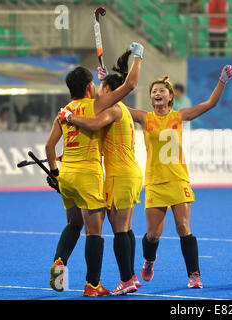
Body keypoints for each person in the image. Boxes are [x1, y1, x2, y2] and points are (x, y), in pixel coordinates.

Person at [45, 42, 143, 297]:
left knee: (73, 224)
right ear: (90, 87)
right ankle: (92, 284)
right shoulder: (97, 106)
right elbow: (129, 86)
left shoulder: (64, 111)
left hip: (66, 175)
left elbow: (49, 146)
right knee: (94, 232)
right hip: (88, 175)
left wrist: (55, 173)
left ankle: (59, 263)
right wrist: (137, 57)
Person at [126, 65, 232, 288]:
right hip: (155, 182)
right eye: (154, 91)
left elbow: (209, 104)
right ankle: (149, 260)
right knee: (153, 235)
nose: (157, 93)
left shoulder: (179, 117)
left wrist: (222, 80)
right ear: (151, 97)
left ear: (170, 96)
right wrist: (106, 88)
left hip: (178, 180)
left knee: (183, 228)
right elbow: (118, 108)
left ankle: (194, 275)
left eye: (162, 91)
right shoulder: (145, 118)